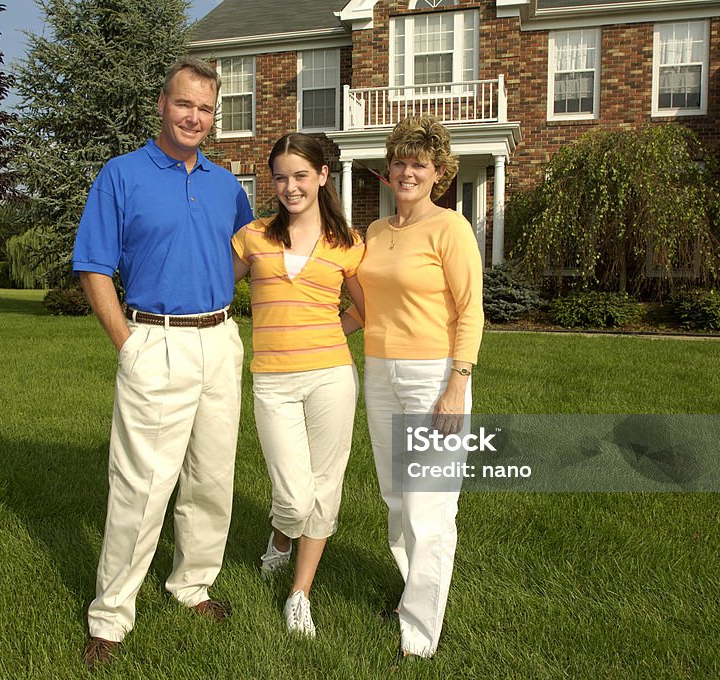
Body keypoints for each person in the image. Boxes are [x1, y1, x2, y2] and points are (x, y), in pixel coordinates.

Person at [72, 57, 254, 671]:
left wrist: (213, 296)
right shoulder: (121, 176)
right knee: (141, 487)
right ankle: (111, 614)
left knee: (211, 480)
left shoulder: (228, 184)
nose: (195, 117)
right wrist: (127, 341)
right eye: (185, 104)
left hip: (220, 341)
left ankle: (191, 584)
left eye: (206, 109)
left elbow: (244, 254)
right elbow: (93, 266)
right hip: (155, 340)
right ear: (161, 104)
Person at [342, 114, 484, 658]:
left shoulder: (451, 228)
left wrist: (457, 383)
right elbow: (367, 307)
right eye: (400, 162)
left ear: (438, 173)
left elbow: (471, 312)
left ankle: (420, 636)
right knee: (396, 499)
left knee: (429, 507)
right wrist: (319, 335)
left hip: (433, 377)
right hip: (381, 372)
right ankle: (410, 594)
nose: (407, 172)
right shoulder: (376, 232)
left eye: (419, 164)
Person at [231, 133, 365, 638]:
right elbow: (217, 287)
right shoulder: (254, 237)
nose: (291, 187)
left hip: (331, 376)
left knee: (325, 488)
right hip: (272, 379)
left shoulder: (347, 245)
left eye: (301, 176)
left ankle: (299, 594)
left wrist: (333, 332)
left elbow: (366, 309)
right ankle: (281, 538)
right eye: (282, 177)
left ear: (323, 176)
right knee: (293, 493)